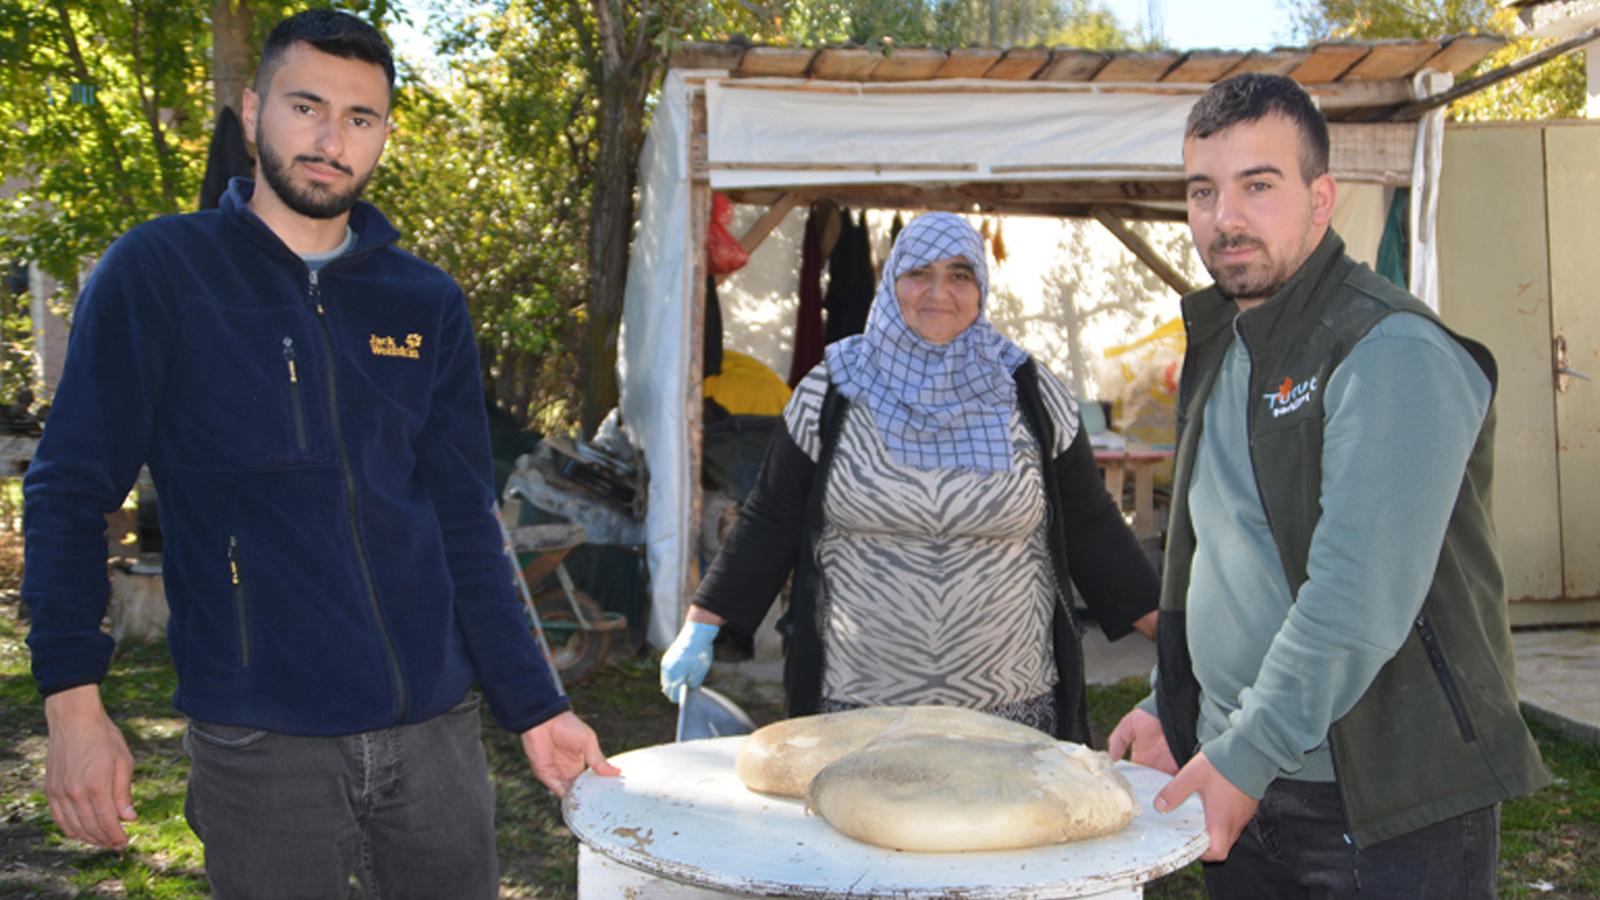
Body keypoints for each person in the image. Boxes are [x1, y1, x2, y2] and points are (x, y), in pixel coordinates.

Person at [23, 10, 617, 897]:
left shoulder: (424, 301)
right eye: (307, 107)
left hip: (435, 736)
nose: (330, 139)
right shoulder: (160, 273)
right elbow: (70, 488)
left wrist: (536, 704)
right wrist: (72, 699)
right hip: (262, 740)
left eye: (360, 119)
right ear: (256, 106)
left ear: (383, 137)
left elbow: (464, 524)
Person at [1107, 73, 1550, 898]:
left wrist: (1241, 753)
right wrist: (1178, 709)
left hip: (1385, 804)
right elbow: (1216, 555)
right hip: (1246, 777)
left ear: (1322, 199)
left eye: (1258, 186)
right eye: (1203, 190)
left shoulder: (1390, 350)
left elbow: (1357, 594)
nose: (1224, 218)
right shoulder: (1226, 342)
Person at [660, 212, 1159, 742]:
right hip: (855, 708)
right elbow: (771, 517)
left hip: (1010, 713)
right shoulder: (831, 389)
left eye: (960, 274)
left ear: (982, 287)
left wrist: (1170, 642)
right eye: (919, 272)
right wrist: (701, 626)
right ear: (892, 280)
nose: (938, 291)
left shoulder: (1032, 394)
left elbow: (1090, 523)